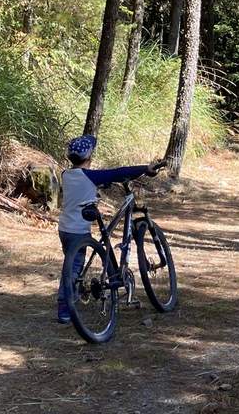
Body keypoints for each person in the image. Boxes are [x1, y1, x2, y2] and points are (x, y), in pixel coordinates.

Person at [57, 135, 161, 324]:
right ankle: (64, 306)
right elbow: (117, 172)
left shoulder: (66, 174)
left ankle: (72, 296)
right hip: (78, 230)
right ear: (89, 158)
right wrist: (145, 168)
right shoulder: (91, 176)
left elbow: (85, 183)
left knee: (71, 265)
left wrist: (102, 183)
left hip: (64, 228)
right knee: (73, 268)